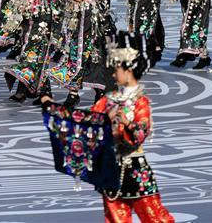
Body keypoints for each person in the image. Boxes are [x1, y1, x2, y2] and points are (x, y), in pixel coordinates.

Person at [52, 31, 176, 223]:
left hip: (135, 168)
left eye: (117, 67)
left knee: (154, 216)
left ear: (128, 70)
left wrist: (125, 123)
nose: (113, 73)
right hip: (110, 170)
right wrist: (54, 111)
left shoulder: (140, 102)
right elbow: (87, 122)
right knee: (115, 218)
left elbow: (141, 132)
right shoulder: (107, 101)